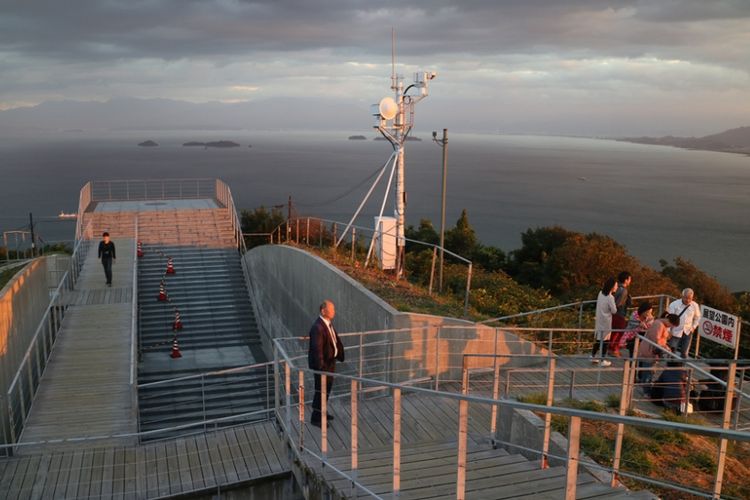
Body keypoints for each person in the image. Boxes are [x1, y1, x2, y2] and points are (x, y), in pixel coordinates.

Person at [308, 300, 344, 428]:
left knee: (326, 391)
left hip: (330, 363)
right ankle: (316, 418)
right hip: (322, 366)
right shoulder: (317, 327)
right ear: (323, 311)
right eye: (331, 309)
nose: (334, 311)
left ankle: (322, 412)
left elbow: (333, 340)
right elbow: (316, 349)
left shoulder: (327, 323)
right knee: (321, 391)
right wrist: (321, 367)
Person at [636, 313, 679, 393]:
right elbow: (656, 340)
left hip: (651, 350)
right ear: (669, 321)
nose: (671, 327)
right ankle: (646, 391)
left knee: (649, 371)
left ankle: (645, 389)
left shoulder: (660, 324)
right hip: (650, 351)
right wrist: (665, 347)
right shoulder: (659, 325)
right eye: (671, 325)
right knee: (648, 371)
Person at [667, 288, 701, 358]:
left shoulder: (695, 305)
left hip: (688, 331)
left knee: (684, 352)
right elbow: (669, 319)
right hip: (675, 331)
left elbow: (698, 317)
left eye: (690, 298)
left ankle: (682, 367)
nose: (688, 300)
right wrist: (668, 331)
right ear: (682, 296)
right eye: (686, 298)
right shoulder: (674, 304)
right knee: (671, 351)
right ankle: (669, 367)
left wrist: (693, 327)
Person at [592, 277, 618, 367]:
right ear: (612, 287)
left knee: (599, 338)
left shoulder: (600, 293)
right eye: (615, 285)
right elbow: (614, 311)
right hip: (606, 321)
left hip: (599, 319)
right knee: (606, 340)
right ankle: (602, 359)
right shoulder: (610, 298)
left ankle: (592, 355)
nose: (616, 287)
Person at [609, 271, 632, 357]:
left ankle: (611, 348)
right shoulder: (623, 290)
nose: (630, 281)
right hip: (619, 314)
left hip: (613, 314)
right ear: (626, 280)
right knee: (619, 332)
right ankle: (614, 349)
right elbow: (619, 303)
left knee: (614, 332)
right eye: (629, 279)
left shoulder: (616, 287)